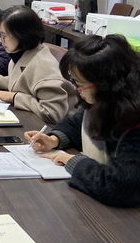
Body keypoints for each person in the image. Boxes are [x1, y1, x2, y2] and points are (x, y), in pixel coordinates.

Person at [25, 35, 140, 207]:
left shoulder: (135, 121)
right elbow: (79, 122)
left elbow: (118, 186)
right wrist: (54, 139)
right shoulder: (105, 102)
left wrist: (75, 162)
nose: (77, 90)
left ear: (106, 85)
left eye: (79, 84)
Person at [0, 5, 76, 124]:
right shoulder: (22, 52)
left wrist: (14, 97)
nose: (0, 40)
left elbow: (53, 114)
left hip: (51, 128)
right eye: (0, 35)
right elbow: (18, 82)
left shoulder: (43, 67)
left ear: (22, 35)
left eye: (4, 36)